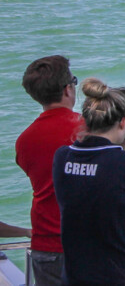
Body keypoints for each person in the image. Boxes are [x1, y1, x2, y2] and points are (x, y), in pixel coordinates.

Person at [52, 77, 125, 286]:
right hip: (118, 277)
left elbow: (96, 173)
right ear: (124, 122)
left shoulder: (62, 157)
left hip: (73, 277)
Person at [15, 55, 84, 286]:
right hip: (85, 243)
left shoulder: (25, 139)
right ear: (68, 89)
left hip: (44, 244)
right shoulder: (87, 128)